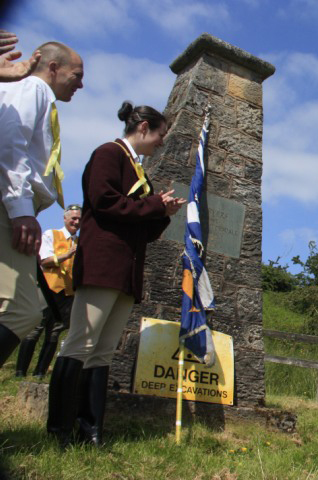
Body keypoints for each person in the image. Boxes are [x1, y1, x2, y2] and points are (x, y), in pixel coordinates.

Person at [46, 101, 185, 446]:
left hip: (126, 271)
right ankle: (60, 430)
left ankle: (90, 430)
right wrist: (153, 204)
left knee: (103, 350)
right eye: (160, 134)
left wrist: (162, 213)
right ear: (143, 128)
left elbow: (143, 229)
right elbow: (104, 201)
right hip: (103, 265)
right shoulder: (108, 154)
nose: (161, 142)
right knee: (81, 343)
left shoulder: (139, 171)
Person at [0, 41, 83, 367]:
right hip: (9, 208)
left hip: (14, 206)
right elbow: (10, 145)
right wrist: (21, 210)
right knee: (23, 311)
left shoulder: (37, 96)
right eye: (76, 75)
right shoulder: (33, 89)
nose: (81, 84)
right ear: (53, 67)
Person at [15, 204, 81, 377]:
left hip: (67, 292)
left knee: (55, 332)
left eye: (79, 219)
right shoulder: (51, 234)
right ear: (65, 218)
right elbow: (44, 260)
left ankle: (40, 372)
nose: (76, 222)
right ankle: (20, 371)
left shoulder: (81, 243)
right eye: (73, 218)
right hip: (48, 288)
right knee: (35, 328)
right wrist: (67, 255)